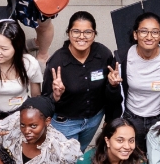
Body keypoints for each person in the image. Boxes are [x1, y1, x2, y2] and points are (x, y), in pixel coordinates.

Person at [45, 11, 118, 144]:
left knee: (81, 152)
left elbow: (108, 92)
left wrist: (113, 86)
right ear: (68, 33)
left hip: (94, 119)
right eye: (76, 31)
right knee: (65, 160)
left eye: (88, 32)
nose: (81, 37)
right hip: (65, 123)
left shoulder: (103, 54)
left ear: (94, 34)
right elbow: (45, 99)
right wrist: (55, 96)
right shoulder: (56, 62)